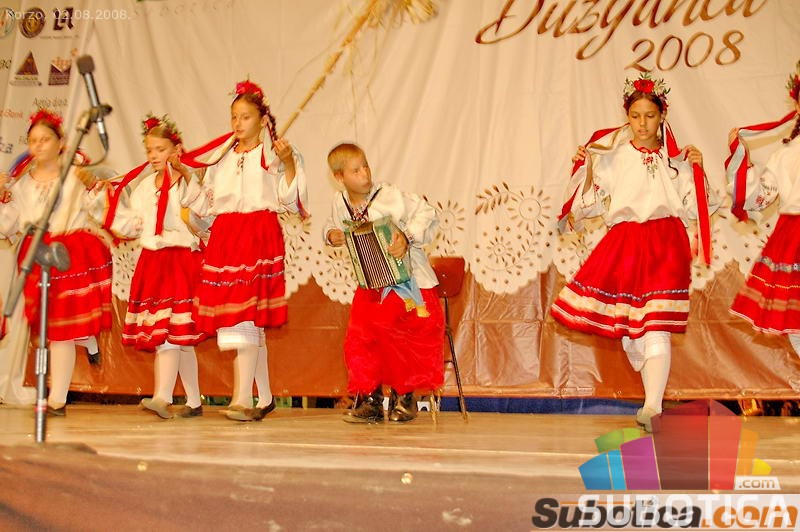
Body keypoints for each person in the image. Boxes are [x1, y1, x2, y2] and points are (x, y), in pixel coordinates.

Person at [550, 74, 719, 432]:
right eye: (635, 116)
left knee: (655, 324)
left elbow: (699, 206)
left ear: (662, 116)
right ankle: (651, 391)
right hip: (625, 241)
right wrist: (585, 167)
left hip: (666, 241)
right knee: (633, 333)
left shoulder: (678, 159)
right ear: (627, 117)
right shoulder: (611, 156)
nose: (642, 124)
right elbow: (589, 206)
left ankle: (653, 407)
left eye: (650, 116)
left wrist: (699, 168)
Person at [181, 80, 307, 422]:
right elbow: (205, 206)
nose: (238, 123)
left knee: (245, 316)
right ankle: (263, 397)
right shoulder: (220, 158)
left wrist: (289, 164)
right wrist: (187, 176)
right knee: (242, 317)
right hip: (226, 236)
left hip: (257, 234)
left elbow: (290, 201)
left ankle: (242, 398)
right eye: (234, 117)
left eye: (246, 117)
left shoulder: (273, 154)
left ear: (262, 120)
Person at [0, 109, 112, 416]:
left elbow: (99, 208)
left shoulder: (75, 175)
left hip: (67, 253)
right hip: (36, 255)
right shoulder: (21, 185)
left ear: (61, 142)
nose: (38, 146)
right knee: (48, 328)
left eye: (45, 139)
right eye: (33, 140)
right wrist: (2, 198)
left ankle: (56, 399)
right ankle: (87, 340)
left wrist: (94, 187)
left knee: (61, 329)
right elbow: (8, 226)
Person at [323, 142, 444, 423]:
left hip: (407, 283)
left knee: (401, 335)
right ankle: (371, 400)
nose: (365, 174)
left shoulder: (389, 196)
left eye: (365, 166)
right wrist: (331, 235)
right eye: (355, 170)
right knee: (361, 338)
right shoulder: (340, 203)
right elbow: (330, 225)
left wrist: (406, 237)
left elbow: (428, 212)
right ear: (339, 178)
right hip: (371, 284)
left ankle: (405, 397)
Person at [97, 113, 206, 419]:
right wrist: (107, 202)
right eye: (150, 150)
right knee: (177, 336)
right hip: (154, 262)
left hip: (181, 261)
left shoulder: (187, 182)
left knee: (171, 333)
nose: (154, 156)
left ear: (176, 149)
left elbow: (202, 214)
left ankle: (162, 396)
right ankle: (194, 401)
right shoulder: (145, 187)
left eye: (160, 149)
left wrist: (186, 176)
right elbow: (133, 226)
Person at [728, 61, 800, 354]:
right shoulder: (786, 154)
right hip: (793, 236)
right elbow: (757, 200)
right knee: (795, 322)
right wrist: (741, 162)